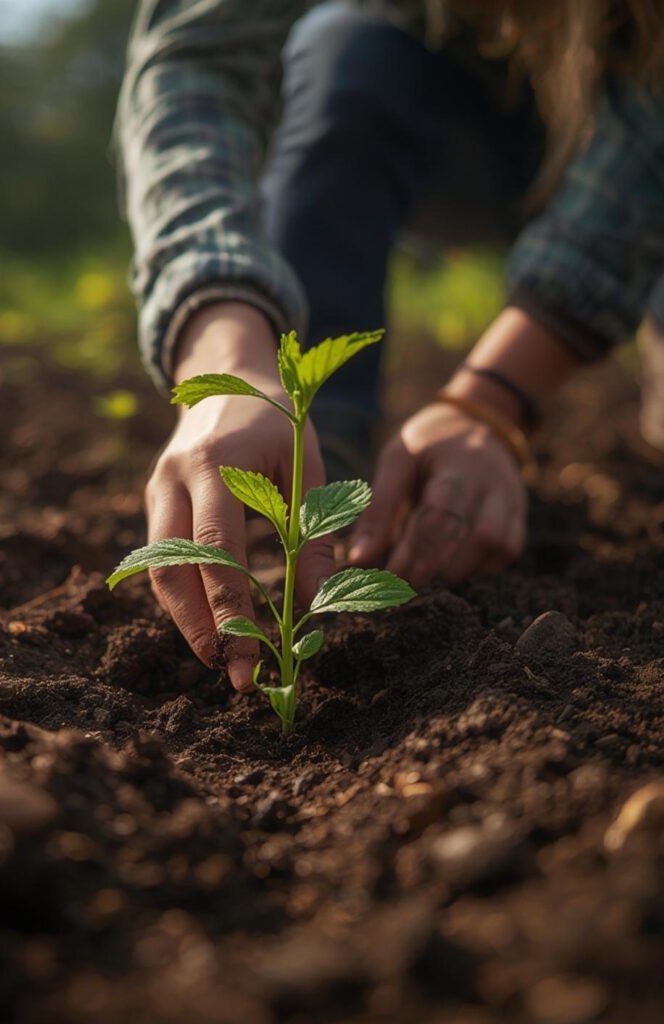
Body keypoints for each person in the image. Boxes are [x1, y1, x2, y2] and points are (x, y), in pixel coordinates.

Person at [115, 0, 664, 693]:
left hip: (628, 133)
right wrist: (225, 354)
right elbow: (197, 62)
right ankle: (320, 479)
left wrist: (490, 401)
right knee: (346, 46)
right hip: (446, 109)